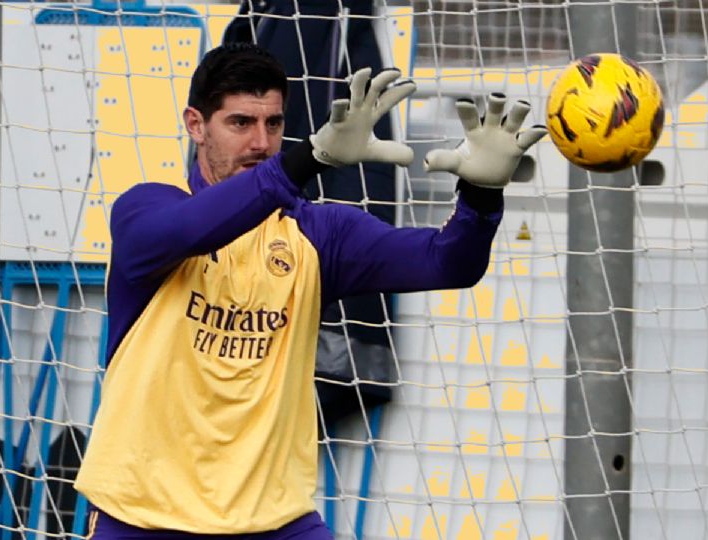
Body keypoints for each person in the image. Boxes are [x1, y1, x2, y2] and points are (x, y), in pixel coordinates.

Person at [74, 42, 546, 539]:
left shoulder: (318, 236)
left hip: (275, 523)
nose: (260, 142)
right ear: (196, 125)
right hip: (143, 522)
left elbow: (448, 263)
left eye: (273, 124)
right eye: (240, 123)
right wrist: (307, 160)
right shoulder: (146, 210)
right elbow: (192, 227)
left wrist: (482, 196)